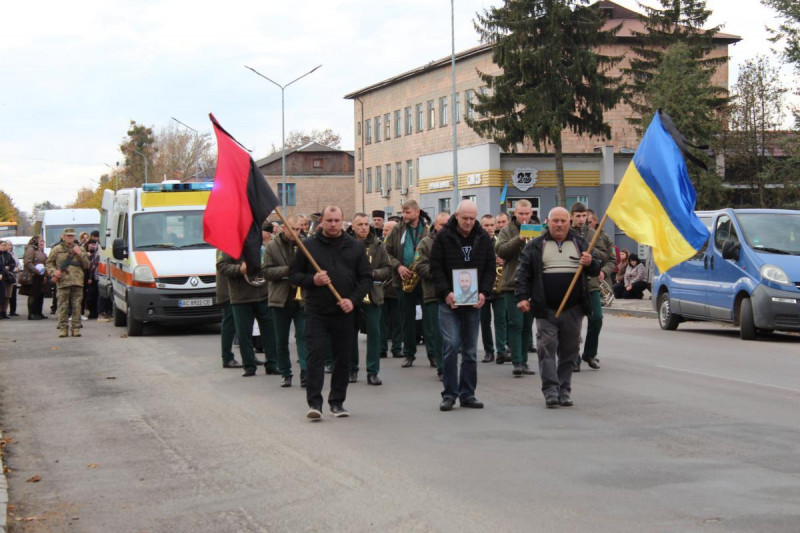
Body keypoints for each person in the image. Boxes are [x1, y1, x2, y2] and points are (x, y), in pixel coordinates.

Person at [290, 206, 372, 419]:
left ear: (343, 221)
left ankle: (337, 402)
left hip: (344, 311)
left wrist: (353, 300)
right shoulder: (308, 246)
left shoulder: (355, 246)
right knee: (316, 355)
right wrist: (313, 280)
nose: (333, 224)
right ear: (322, 222)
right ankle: (314, 403)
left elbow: (366, 278)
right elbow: (294, 275)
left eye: (337, 220)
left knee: (342, 358)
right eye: (329, 220)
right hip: (316, 311)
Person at [515, 206, 601, 408]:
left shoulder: (580, 243)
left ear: (569, 222)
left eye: (563, 221)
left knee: (570, 351)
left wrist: (591, 262)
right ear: (548, 221)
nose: (560, 225)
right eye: (556, 221)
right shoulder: (536, 245)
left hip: (574, 308)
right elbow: (523, 273)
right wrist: (522, 297)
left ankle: (564, 390)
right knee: (547, 347)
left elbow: (596, 269)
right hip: (545, 308)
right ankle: (551, 391)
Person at [430, 200, 496, 411]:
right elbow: (435, 267)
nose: (468, 222)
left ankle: (468, 394)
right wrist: (446, 292)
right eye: (465, 218)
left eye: (472, 218)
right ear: (456, 216)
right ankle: (449, 394)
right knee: (451, 345)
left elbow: (490, 268)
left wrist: (484, 292)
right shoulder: (443, 237)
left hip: (473, 302)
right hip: (449, 301)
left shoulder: (483, 238)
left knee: (470, 350)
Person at [216, 221, 278, 378]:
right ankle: (249, 365)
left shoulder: (259, 241)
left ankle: (272, 363)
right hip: (240, 295)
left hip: (262, 292)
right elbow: (221, 266)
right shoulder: (228, 243)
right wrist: (239, 269)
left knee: (269, 330)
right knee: (244, 333)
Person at [569, 203, 615, 372]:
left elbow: (606, 256)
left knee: (597, 318)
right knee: (573, 324)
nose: (581, 219)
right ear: (572, 216)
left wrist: (591, 250)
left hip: (591, 284)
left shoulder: (593, 234)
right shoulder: (567, 233)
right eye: (578, 216)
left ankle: (590, 354)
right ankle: (573, 357)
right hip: (572, 284)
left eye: (583, 216)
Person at [264, 215, 309, 387]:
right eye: (292, 229)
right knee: (281, 340)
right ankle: (285, 373)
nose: (295, 233)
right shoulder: (272, 246)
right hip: (280, 299)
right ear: (284, 228)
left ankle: (305, 373)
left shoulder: (305, 244)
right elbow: (266, 272)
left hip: (301, 299)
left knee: (303, 337)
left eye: (298, 229)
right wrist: (288, 271)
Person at [384, 199, 429, 368]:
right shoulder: (397, 229)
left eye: (408, 212)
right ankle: (409, 354)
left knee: (429, 320)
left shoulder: (427, 229)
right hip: (404, 280)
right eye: (403, 212)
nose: (404, 215)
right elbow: (386, 252)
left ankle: (433, 355)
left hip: (424, 280)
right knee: (406, 319)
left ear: (417, 212)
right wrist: (399, 266)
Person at [349, 212, 392, 385]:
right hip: (352, 295)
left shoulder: (378, 245)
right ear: (353, 227)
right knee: (350, 334)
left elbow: (388, 268)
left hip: (373, 295)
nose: (364, 228)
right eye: (360, 224)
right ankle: (352, 370)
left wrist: (373, 273)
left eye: (366, 224)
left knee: (374, 333)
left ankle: (373, 371)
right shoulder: (345, 244)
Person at [496, 200, 536, 376]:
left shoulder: (537, 229)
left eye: (527, 214)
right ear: (515, 213)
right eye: (521, 214)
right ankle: (517, 362)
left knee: (527, 325)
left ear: (531, 213)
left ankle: (524, 362)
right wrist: (519, 238)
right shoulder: (507, 230)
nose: (524, 217)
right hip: (512, 283)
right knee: (515, 324)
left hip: (532, 285)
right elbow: (501, 251)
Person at [415, 211, 450, 380]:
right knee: (438, 333)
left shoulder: (455, 240)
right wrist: (440, 273)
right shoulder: (425, 242)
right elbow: (420, 266)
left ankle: (450, 365)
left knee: (452, 334)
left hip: (454, 293)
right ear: (435, 225)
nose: (445, 228)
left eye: (447, 224)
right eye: (442, 225)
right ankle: (443, 368)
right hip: (434, 294)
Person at [45, 228, 89, 337]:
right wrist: (54, 272)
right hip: (63, 281)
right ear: (63, 236)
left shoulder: (80, 249)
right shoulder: (57, 249)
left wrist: (80, 254)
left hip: (77, 281)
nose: (70, 238)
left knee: (77, 306)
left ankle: (76, 328)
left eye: (72, 236)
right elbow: (49, 264)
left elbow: (87, 265)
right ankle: (63, 328)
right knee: (62, 306)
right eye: (68, 236)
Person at [479, 214, 507, 363]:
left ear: (495, 226)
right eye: (486, 225)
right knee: (485, 322)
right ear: (481, 226)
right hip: (483, 288)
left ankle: (501, 350)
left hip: (499, 287)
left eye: (491, 225)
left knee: (500, 321)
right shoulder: (478, 242)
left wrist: (504, 260)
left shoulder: (499, 242)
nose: (489, 228)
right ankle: (488, 351)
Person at [380, 220, 403, 359]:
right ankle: (381, 348)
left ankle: (397, 348)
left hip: (395, 288)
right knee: (381, 322)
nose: (384, 232)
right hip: (381, 290)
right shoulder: (379, 245)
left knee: (397, 321)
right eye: (383, 229)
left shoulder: (399, 245)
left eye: (387, 230)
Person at [215, 250, 242, 369]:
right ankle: (227, 357)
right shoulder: (224, 245)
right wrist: (240, 268)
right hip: (228, 292)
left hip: (239, 290)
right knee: (229, 323)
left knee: (244, 325)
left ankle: (249, 355)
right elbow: (222, 266)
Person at [22, 236, 49, 320]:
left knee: (40, 294)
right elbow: (27, 262)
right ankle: (31, 313)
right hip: (33, 275)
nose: (42, 243)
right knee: (33, 294)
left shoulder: (40, 250)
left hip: (40, 275)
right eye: (40, 241)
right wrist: (36, 271)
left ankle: (38, 312)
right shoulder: (31, 249)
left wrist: (44, 274)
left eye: (43, 241)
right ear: (35, 241)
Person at [0, 241, 16, 319]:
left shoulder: (9, 255)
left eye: (5, 245)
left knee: (7, 296)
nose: (4, 247)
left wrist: (9, 267)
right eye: (2, 245)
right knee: (1, 296)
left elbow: (13, 263)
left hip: (8, 278)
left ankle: (4, 312)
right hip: (1, 277)